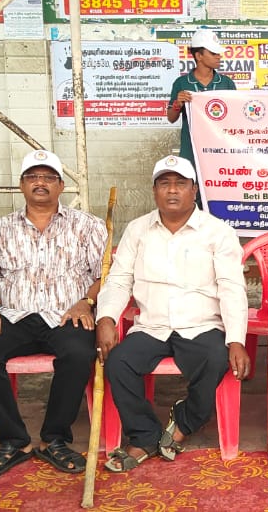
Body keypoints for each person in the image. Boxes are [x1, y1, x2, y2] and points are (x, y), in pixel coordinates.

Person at [95, 155, 250, 471]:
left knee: (216, 359)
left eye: (180, 183)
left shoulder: (217, 232)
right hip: (151, 325)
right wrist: (106, 318)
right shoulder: (138, 229)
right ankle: (145, 436)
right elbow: (120, 279)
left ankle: (185, 420)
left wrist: (236, 339)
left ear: (194, 190)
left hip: (201, 324)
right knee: (119, 362)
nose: (172, 190)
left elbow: (232, 287)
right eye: (164, 183)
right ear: (155, 191)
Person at [0, 149, 108, 480]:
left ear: (61, 186)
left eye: (48, 177)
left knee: (78, 353)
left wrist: (86, 300)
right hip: (15, 315)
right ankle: (15, 441)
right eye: (32, 177)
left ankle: (54, 439)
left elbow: (107, 275)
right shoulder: (0, 229)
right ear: (21, 184)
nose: (40, 183)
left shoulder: (88, 225)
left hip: (67, 314)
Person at [166, 29, 235, 170]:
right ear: (199, 56)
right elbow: (171, 118)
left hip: (219, 148)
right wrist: (178, 104)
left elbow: (235, 118)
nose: (219, 57)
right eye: (213, 53)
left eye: (218, 53)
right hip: (191, 149)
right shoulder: (182, 83)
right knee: (191, 180)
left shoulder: (226, 83)